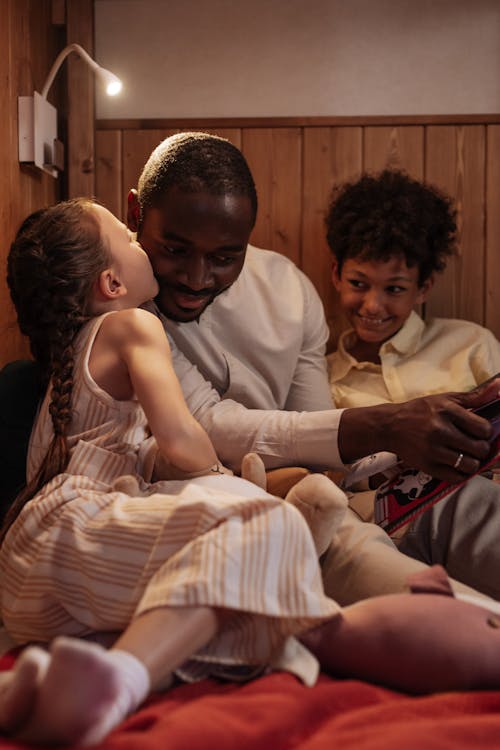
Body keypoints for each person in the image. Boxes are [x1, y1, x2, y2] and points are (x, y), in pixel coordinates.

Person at [4, 198, 500, 747]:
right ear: (113, 278)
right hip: (96, 526)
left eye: (224, 256)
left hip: (42, 566)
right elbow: (188, 434)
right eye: (135, 237)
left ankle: (62, 686)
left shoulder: (85, 350)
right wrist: (230, 478)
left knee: (453, 507)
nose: (196, 273)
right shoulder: (136, 325)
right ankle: (125, 677)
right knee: (278, 535)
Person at [126, 131, 500, 602]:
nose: (197, 278)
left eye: (225, 257)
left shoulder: (287, 288)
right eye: (176, 251)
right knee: (335, 528)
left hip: (333, 487)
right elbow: (208, 426)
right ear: (134, 213)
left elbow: (319, 433)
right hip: (253, 503)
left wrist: (396, 453)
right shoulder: (120, 296)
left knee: (465, 504)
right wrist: (387, 425)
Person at [326, 169, 500, 409]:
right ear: (337, 275)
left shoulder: (472, 344)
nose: (373, 306)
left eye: (395, 288)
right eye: (358, 284)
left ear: (423, 288)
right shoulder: (324, 378)